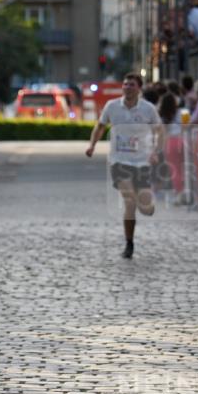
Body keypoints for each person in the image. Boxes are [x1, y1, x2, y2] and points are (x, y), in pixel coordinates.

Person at [85, 72, 163, 259]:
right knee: (129, 201)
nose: (127, 87)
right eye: (125, 84)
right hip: (119, 161)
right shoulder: (112, 106)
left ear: (139, 88)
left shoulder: (148, 109)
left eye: (131, 85)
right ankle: (129, 243)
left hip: (142, 162)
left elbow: (160, 130)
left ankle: (147, 205)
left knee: (146, 209)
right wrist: (92, 145)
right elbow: (100, 126)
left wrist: (156, 151)